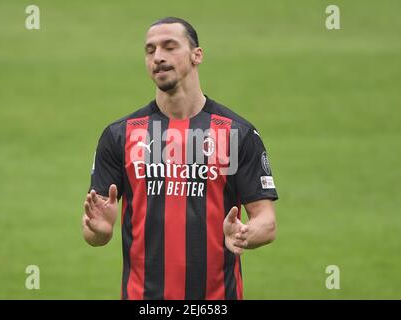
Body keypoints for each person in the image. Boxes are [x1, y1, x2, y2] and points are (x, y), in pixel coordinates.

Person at [82, 17, 278, 300]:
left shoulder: (237, 133)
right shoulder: (120, 135)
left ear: (197, 55)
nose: (158, 57)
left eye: (169, 47)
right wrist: (98, 230)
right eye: (150, 50)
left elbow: (267, 221)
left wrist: (245, 233)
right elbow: (94, 233)